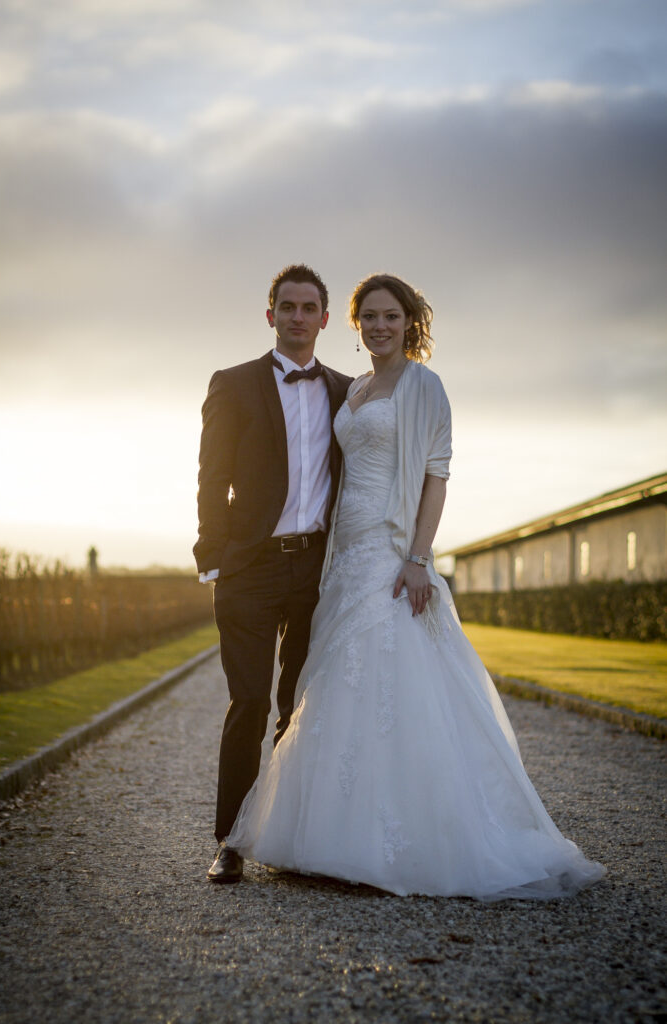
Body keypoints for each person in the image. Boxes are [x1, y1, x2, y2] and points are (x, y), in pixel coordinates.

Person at [225, 273, 606, 900]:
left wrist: (418, 557)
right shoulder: (354, 391)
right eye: (369, 317)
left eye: (390, 316)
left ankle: (404, 838)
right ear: (353, 325)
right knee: (333, 686)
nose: (379, 326)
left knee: (389, 677)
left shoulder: (424, 386)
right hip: (341, 556)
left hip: (391, 550)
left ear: (409, 322)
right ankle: (325, 835)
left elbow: (436, 474)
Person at [194, 264, 352, 883]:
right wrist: (214, 558)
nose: (296, 316)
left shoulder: (347, 390)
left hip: (317, 567)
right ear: (270, 316)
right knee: (250, 701)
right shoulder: (231, 384)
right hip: (251, 568)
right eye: (285, 306)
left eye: (308, 306)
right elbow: (211, 477)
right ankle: (230, 840)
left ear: (324, 317)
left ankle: (289, 837)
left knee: (301, 705)